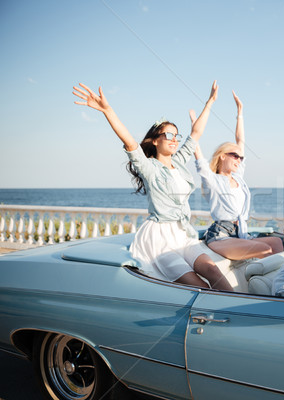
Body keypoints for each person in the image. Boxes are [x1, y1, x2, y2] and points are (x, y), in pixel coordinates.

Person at [72, 81, 233, 291]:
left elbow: (196, 133)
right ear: (155, 141)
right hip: (159, 240)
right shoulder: (149, 168)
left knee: (212, 270)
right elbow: (130, 143)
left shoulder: (179, 162)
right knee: (197, 285)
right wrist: (107, 110)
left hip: (182, 234)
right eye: (168, 135)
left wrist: (210, 101)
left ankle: (240, 311)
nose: (174, 139)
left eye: (176, 135)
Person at [192, 91, 283, 260]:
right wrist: (209, 104)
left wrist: (240, 113)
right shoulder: (212, 180)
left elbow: (240, 141)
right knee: (264, 250)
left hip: (240, 231)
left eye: (240, 157)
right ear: (222, 156)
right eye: (234, 155)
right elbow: (195, 147)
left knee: (277, 243)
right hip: (220, 234)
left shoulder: (238, 178)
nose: (239, 159)